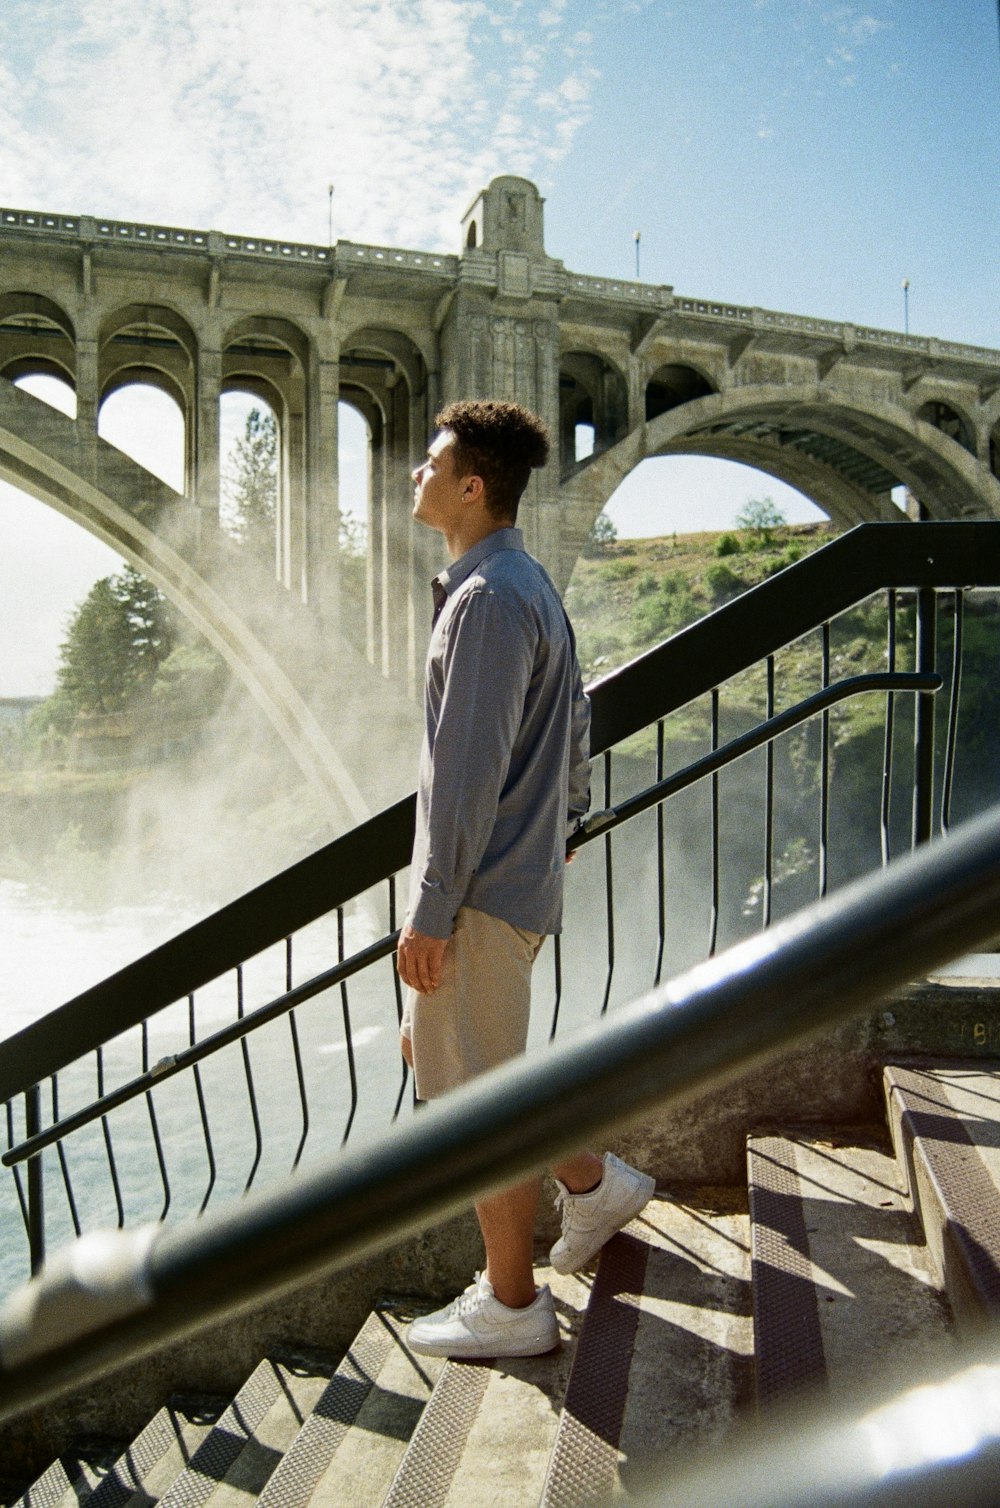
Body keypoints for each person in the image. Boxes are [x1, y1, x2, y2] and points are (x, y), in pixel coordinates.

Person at [395, 398, 654, 1360]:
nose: (415, 474)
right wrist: (564, 826)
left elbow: (464, 774)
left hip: (475, 894)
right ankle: (593, 1185)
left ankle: (511, 1306)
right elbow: (575, 730)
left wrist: (429, 911)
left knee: (476, 1108)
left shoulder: (488, 600)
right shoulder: (521, 585)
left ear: (472, 484)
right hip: (509, 881)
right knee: (474, 1069)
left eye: (430, 463)